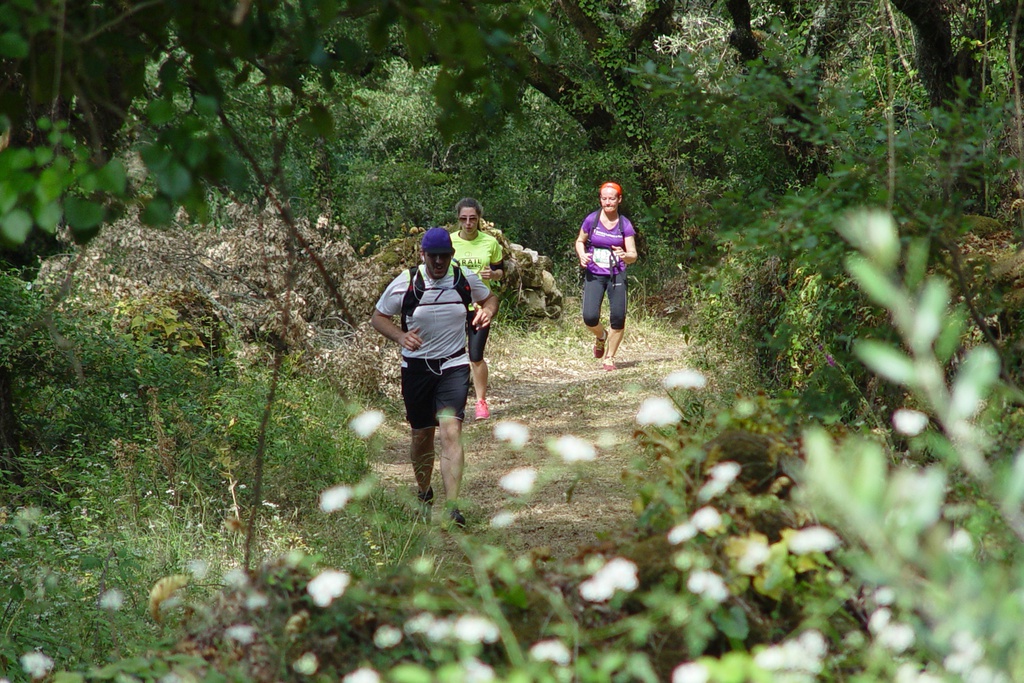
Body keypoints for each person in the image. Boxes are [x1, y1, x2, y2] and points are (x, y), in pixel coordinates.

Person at [371, 227, 498, 528]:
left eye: (444, 256)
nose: (439, 262)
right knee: (422, 436)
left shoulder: (462, 277)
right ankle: (424, 491)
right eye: (434, 257)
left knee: (451, 432)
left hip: (453, 365)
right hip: (416, 368)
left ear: (452, 255)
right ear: (422, 255)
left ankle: (453, 507)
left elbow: (490, 298)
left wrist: (487, 311)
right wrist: (401, 337)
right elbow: (378, 318)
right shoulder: (406, 282)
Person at [450, 198, 505, 420]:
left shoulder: (490, 243)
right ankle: (451, 403)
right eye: (464, 219)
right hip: (453, 305)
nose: (468, 223)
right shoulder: (450, 242)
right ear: (458, 220)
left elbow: (501, 271)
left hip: (480, 306)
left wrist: (493, 275)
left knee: (475, 355)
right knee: (451, 356)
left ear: (479, 218)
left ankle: (481, 402)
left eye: (473, 218)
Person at [574, 181, 638, 371]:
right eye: (604, 198)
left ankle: (609, 357)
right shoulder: (591, 220)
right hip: (594, 273)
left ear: (619, 200)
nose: (608, 202)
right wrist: (582, 254)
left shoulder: (624, 224)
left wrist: (625, 256)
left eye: (612, 198)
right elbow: (580, 241)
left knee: (618, 317)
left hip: (616, 274)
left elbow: (633, 255)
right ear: (600, 199)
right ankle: (601, 337)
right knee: (589, 317)